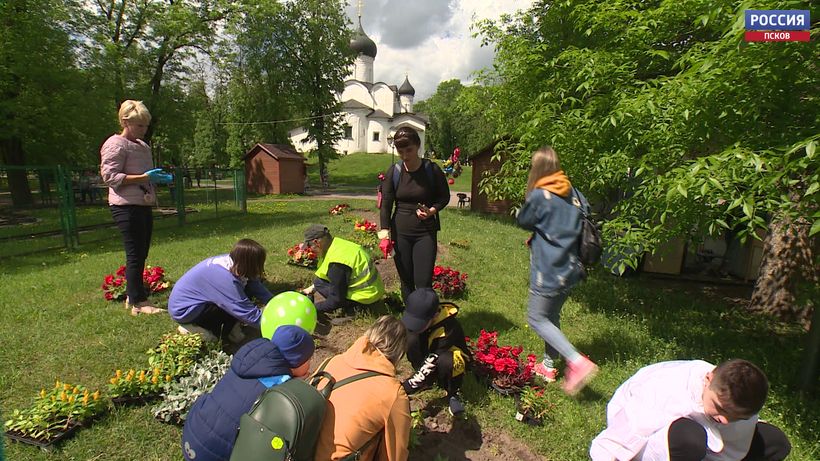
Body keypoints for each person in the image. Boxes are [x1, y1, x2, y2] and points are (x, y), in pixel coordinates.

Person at [589, 359, 791, 461]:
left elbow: (732, 447)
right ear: (708, 380)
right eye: (720, 408)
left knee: (774, 441)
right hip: (652, 444)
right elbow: (617, 440)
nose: (725, 421)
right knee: (690, 437)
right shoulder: (665, 388)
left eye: (737, 417)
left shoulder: (740, 407)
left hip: (705, 447)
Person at [516, 146, 597, 394]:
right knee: (552, 316)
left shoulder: (540, 195)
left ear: (537, 168)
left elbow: (523, 220)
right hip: (572, 268)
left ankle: (576, 360)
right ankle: (549, 365)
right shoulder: (575, 193)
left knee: (537, 318)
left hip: (549, 269)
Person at [182, 325, 315, 461]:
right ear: (297, 361)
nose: (311, 363)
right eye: (309, 359)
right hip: (217, 454)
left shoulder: (248, 363)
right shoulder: (281, 390)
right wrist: (298, 385)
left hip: (192, 435)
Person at [100, 100, 173, 315]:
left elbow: (143, 176)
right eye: (139, 125)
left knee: (142, 252)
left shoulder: (142, 146)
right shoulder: (115, 144)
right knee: (134, 254)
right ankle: (137, 303)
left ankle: (135, 295)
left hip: (142, 203)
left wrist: (155, 179)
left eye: (146, 126)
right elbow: (110, 177)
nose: (143, 130)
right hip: (125, 206)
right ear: (125, 121)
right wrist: (142, 177)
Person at [314, 315, 410, 461]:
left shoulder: (332, 361)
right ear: (399, 352)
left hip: (302, 451)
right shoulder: (392, 392)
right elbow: (395, 456)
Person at [378, 126, 450, 301]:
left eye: (409, 150)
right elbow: (386, 204)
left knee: (423, 282)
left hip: (425, 233)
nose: (405, 155)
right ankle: (410, 321)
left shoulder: (431, 170)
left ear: (418, 146)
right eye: (400, 151)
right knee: (406, 281)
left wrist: (432, 211)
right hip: (400, 232)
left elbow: (444, 197)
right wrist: (385, 233)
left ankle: (427, 320)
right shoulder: (394, 172)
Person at [169, 239, 274, 343]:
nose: (258, 269)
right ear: (248, 264)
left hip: (199, 301)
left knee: (245, 291)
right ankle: (195, 328)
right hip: (186, 311)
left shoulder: (236, 262)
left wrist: (276, 302)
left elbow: (255, 286)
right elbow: (247, 312)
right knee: (234, 305)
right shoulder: (225, 278)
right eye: (256, 265)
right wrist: (276, 327)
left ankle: (230, 326)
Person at [400, 288, 470, 416]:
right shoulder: (422, 320)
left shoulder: (448, 329)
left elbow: (432, 360)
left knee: (448, 361)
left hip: (446, 359)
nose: (414, 326)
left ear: (435, 315)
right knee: (411, 339)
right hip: (430, 356)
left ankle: (453, 392)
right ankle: (425, 380)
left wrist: (405, 388)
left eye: (419, 323)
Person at [300, 224, 385, 322]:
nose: (310, 250)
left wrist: (313, 309)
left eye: (310, 246)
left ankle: (355, 310)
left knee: (332, 299)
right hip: (373, 290)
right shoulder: (338, 245)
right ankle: (354, 305)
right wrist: (312, 288)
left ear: (316, 243)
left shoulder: (337, 263)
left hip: (365, 298)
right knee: (319, 283)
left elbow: (336, 300)